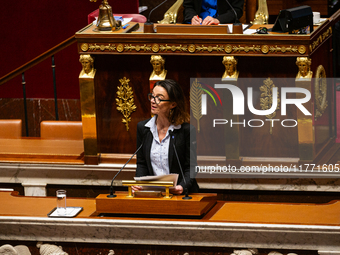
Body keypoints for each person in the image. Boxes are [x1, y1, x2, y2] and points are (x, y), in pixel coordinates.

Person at [133, 79, 199, 195]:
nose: (153, 101)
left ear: (173, 104)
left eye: (159, 98)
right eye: (152, 96)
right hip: (154, 193)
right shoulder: (143, 128)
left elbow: (191, 167)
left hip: (182, 195)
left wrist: (182, 187)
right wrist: (139, 183)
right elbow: (142, 163)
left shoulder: (186, 131)